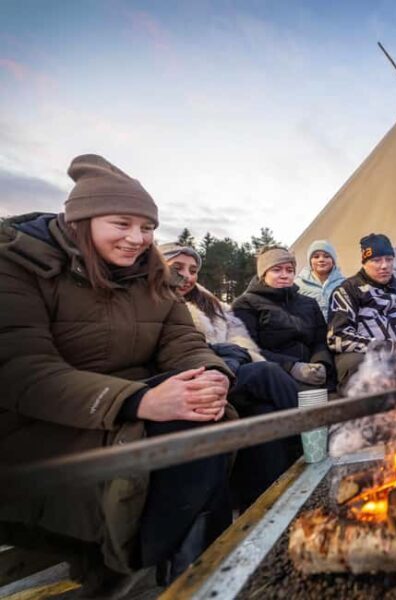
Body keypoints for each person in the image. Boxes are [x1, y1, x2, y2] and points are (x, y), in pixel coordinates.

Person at [0, 155, 232, 592]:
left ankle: (225, 549)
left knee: (224, 402)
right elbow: (20, 371)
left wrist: (212, 375)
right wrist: (139, 400)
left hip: (124, 400)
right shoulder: (17, 266)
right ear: (81, 221)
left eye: (146, 228)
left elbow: (180, 341)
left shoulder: (150, 276)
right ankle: (168, 571)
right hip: (41, 425)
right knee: (186, 426)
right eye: (121, 224)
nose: (137, 239)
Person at [162, 243, 306, 511]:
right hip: (200, 374)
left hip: (231, 367)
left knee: (264, 412)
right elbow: (182, 350)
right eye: (178, 268)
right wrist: (230, 356)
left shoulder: (208, 303)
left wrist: (237, 353)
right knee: (268, 372)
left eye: (193, 270)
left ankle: (266, 500)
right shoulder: (162, 301)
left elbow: (238, 337)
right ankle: (309, 439)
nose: (188, 276)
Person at [232, 246, 334, 392]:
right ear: (263, 274)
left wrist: (321, 362)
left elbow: (320, 340)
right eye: (277, 270)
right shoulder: (245, 304)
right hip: (274, 377)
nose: (284, 275)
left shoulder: (308, 303)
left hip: (312, 373)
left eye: (289, 270)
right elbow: (247, 349)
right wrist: (291, 366)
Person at [327, 233, 396, 387]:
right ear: (364, 262)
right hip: (365, 358)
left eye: (389, 259)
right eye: (376, 260)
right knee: (362, 365)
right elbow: (337, 337)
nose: (384, 266)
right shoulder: (347, 290)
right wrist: (384, 346)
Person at [296, 239, 345, 317]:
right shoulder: (298, 284)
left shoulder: (344, 284)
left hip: (337, 328)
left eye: (326, 256)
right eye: (316, 257)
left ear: (333, 260)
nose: (321, 260)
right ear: (310, 261)